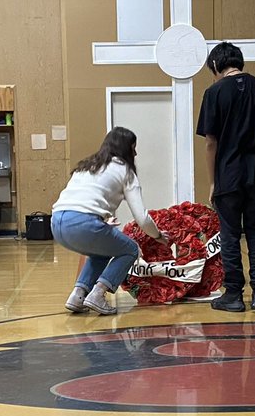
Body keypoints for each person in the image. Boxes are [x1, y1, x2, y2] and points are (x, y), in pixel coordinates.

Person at [196, 41, 255, 313]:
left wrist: (213, 182)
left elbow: (211, 142)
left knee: (230, 234)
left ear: (217, 66)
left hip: (228, 176)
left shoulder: (214, 92)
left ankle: (233, 294)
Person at [50, 126, 170, 315]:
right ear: (126, 149)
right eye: (133, 148)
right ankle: (98, 293)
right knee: (131, 249)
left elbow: (81, 200)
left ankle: (78, 294)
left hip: (57, 223)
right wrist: (157, 235)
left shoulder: (87, 165)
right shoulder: (125, 171)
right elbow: (142, 218)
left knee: (100, 253)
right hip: (83, 224)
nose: (135, 153)